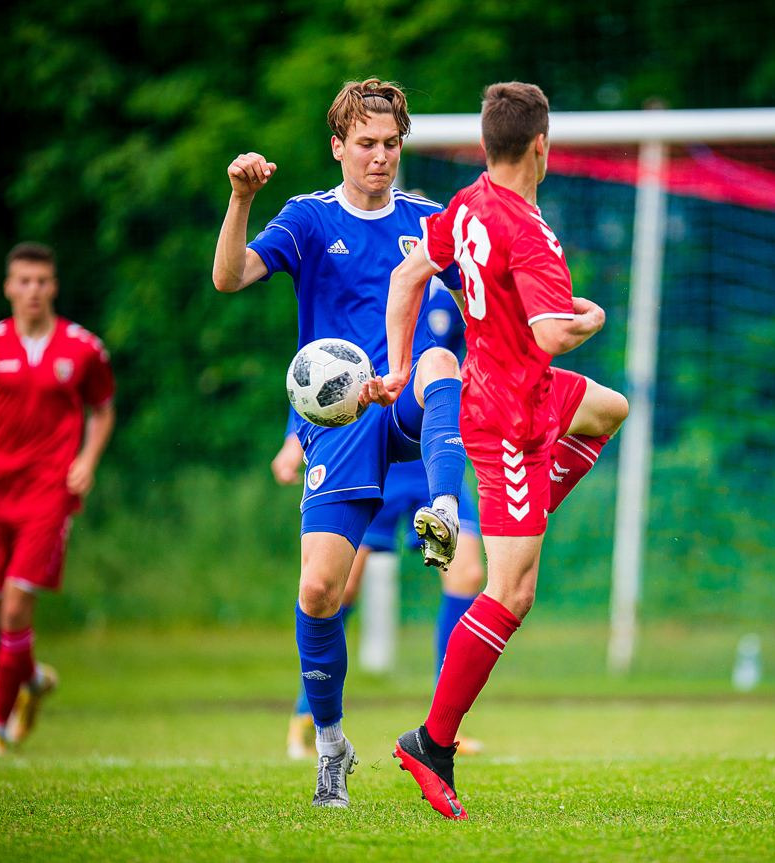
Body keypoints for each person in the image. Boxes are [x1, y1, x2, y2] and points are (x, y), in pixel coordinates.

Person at [369, 81, 630, 819]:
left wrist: (396, 366)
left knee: (610, 409)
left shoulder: (468, 204)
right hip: (509, 417)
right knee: (511, 592)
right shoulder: (532, 232)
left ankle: (523, 511)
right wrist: (591, 317)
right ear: (541, 145)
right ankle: (432, 741)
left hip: (523, 391)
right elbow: (553, 333)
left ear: (487, 145)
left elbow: (406, 274)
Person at [212, 78, 470, 808]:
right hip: (341, 421)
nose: (380, 156)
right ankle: (330, 744)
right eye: (366, 144)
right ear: (338, 147)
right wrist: (240, 198)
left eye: (391, 143)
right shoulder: (307, 218)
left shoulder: (428, 220)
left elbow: (483, 296)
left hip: (407, 398)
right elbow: (229, 278)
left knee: (439, 361)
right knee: (321, 590)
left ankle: (445, 507)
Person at [274, 284, 486, 761]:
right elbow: (322, 367)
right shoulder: (365, 283)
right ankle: (307, 713)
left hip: (428, 450)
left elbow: (474, 356)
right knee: (337, 587)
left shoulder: (454, 285)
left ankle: (445, 723)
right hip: (369, 448)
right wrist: (294, 436)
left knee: (468, 574)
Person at [0, 242, 115, 759]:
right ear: (8, 287)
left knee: (15, 612)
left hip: (49, 495)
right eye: (24, 281)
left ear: (54, 286)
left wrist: (87, 459)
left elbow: (103, 409)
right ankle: (34, 678)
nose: (33, 290)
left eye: (42, 281)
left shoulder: (83, 348)